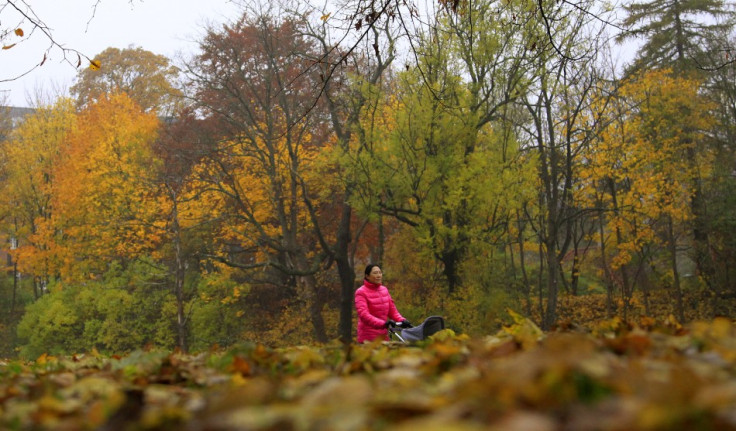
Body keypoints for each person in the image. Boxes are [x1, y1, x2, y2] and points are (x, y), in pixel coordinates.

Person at [355, 264, 411, 343]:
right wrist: (383, 324)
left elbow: (392, 311)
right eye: (375, 273)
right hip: (368, 337)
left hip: (383, 336)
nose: (378, 275)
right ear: (367, 276)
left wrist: (402, 320)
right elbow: (363, 314)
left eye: (380, 272)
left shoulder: (384, 290)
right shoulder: (361, 292)